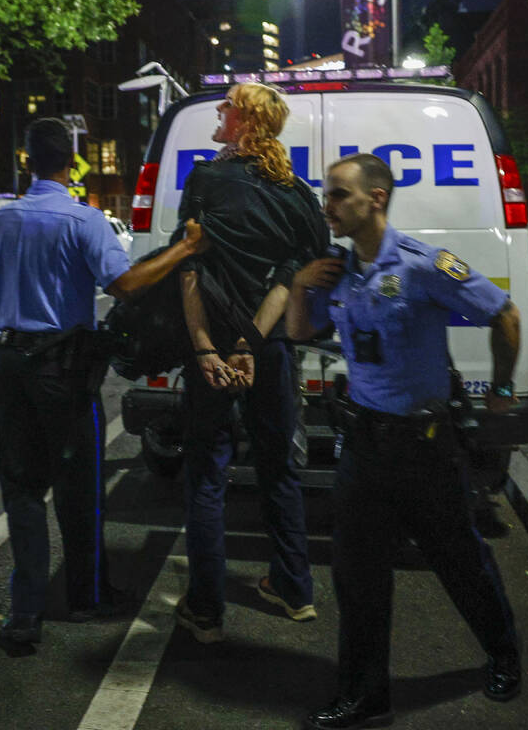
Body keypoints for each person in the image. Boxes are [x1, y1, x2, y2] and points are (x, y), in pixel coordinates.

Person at [286, 153, 522, 730]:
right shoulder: (335, 270)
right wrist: (297, 285)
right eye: (327, 196)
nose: (329, 207)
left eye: (339, 195)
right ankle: (367, 694)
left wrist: (501, 389)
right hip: (363, 443)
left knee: (459, 560)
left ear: (378, 197)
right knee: (357, 575)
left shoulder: (424, 264)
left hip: (424, 446)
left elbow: (504, 313)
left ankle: (504, 652)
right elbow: (297, 331)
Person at [0, 117, 209, 653]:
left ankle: (25, 613)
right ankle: (85, 595)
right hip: (63, 369)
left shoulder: (2, 221)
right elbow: (124, 284)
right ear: (70, 163)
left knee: (22, 489)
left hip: (11, 366)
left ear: (27, 161)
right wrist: (185, 250)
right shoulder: (84, 220)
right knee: (79, 490)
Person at [173, 82, 328, 645]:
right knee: (278, 470)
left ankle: (207, 609)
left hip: (213, 350)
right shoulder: (295, 192)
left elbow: (188, 270)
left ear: (244, 120)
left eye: (227, 104)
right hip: (270, 351)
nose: (218, 109)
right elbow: (301, 271)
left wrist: (209, 348)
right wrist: (253, 342)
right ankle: (294, 589)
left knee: (208, 475)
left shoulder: (207, 180)